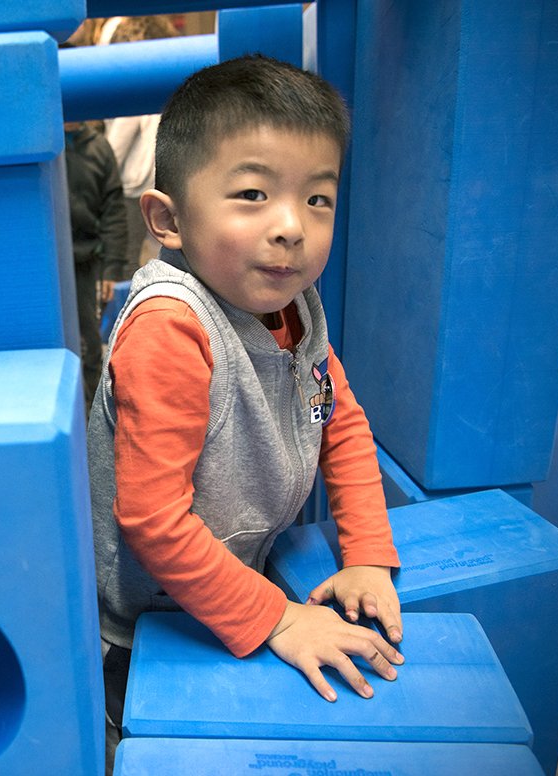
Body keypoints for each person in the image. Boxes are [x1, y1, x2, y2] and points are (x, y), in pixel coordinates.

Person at [88, 54, 405, 746]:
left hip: (231, 591)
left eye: (317, 199)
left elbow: (341, 426)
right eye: (254, 195)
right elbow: (152, 519)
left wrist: (368, 554)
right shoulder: (172, 331)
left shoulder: (298, 311)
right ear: (168, 220)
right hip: (141, 629)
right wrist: (282, 618)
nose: (291, 225)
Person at [102, 15, 180, 276]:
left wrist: (105, 174)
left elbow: (116, 146)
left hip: (134, 186)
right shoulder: (166, 80)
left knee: (130, 258)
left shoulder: (130, 86)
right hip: (158, 182)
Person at [64, 117, 129, 407]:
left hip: (84, 263)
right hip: (45, 263)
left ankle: (91, 420)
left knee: (90, 346)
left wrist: (112, 268)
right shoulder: (42, 142)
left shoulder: (99, 149)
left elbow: (113, 212)